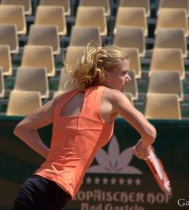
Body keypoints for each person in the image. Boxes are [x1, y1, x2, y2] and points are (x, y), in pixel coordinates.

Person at [12, 45, 157, 210]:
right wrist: (143, 147)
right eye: (124, 73)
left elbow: (22, 129)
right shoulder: (113, 97)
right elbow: (149, 132)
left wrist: (51, 157)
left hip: (35, 184)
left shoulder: (64, 98)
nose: (129, 78)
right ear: (105, 74)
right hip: (54, 190)